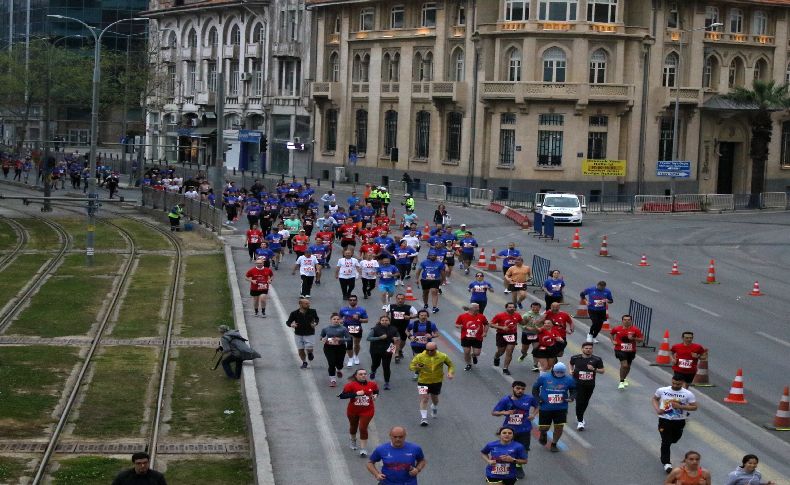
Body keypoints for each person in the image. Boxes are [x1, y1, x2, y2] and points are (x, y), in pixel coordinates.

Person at [491, 381, 538, 479]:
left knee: (523, 449)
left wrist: (533, 414)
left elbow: (537, 406)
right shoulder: (505, 400)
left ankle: (518, 467)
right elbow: (494, 412)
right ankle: (506, 466)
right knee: (508, 449)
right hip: (509, 430)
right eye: (518, 388)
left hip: (524, 429)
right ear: (513, 388)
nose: (520, 390)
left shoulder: (529, 398)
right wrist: (504, 412)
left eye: (522, 389)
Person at [652, 376, 698, 473]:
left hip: (679, 421)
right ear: (671, 381)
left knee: (675, 439)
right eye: (673, 383)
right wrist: (657, 409)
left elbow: (694, 407)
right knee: (666, 441)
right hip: (664, 420)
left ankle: (669, 443)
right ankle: (666, 463)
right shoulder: (662, 390)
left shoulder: (688, 394)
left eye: (678, 384)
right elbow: (655, 399)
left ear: (682, 383)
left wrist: (680, 406)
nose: (675, 385)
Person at [532, 362, 576, 452]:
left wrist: (571, 397)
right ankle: (543, 433)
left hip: (561, 408)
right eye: (557, 372)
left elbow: (574, 390)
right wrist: (538, 398)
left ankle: (554, 444)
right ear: (553, 370)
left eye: (561, 373)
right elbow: (535, 388)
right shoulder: (544, 377)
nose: (559, 374)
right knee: (544, 427)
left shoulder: (569, 379)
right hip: (545, 407)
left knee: (559, 427)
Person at [409, 342, 455, 426]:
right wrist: (416, 367)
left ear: (436, 349)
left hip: (436, 381)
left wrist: (450, 373)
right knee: (424, 398)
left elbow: (450, 365)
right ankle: (424, 418)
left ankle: (434, 406)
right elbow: (411, 366)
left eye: (431, 350)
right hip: (423, 381)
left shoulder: (442, 356)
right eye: (427, 350)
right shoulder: (420, 356)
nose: (429, 352)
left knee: (435, 399)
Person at [338, 368, 379, 457]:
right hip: (353, 411)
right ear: (356, 376)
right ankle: (353, 440)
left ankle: (363, 449)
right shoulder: (350, 385)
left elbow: (376, 391)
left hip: (367, 410)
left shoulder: (372, 384)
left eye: (364, 374)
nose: (363, 375)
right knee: (353, 426)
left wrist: (375, 396)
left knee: (363, 428)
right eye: (360, 374)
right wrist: (356, 394)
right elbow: (342, 396)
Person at [569, 342, 604, 430]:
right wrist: (571, 370)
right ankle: (580, 422)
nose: (588, 350)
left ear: (592, 349)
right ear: (582, 349)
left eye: (590, 348)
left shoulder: (597, 359)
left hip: (589, 384)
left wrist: (594, 369)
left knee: (585, 402)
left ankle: (579, 415)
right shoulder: (575, 358)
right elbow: (571, 363)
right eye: (586, 348)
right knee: (579, 401)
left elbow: (602, 371)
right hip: (577, 384)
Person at [610, 314, 644, 390]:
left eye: (628, 320)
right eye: (625, 320)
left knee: (628, 366)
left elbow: (641, 340)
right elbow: (611, 334)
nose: (627, 321)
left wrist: (633, 338)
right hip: (619, 349)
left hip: (631, 350)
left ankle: (624, 379)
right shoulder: (617, 328)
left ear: (631, 321)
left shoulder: (635, 330)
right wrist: (613, 341)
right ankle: (621, 381)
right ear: (622, 321)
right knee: (624, 365)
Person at [367, 315, 400, 389]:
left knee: (386, 366)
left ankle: (387, 382)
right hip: (375, 349)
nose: (384, 322)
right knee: (376, 364)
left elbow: (398, 337)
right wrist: (379, 338)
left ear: (389, 321)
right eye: (383, 320)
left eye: (386, 320)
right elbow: (368, 338)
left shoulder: (394, 329)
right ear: (380, 321)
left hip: (388, 349)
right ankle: (373, 371)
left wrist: (396, 338)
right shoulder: (375, 329)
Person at [320, 313, 352, 387]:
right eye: (334, 319)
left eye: (338, 319)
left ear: (340, 320)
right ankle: (333, 380)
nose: (336, 320)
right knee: (331, 363)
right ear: (331, 320)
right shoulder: (326, 328)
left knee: (339, 363)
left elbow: (348, 338)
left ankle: (339, 369)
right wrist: (323, 339)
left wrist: (340, 339)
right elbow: (321, 336)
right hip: (329, 347)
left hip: (340, 347)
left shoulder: (343, 328)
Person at [286, 298, 319, 369]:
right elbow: (288, 322)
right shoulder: (294, 313)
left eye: (309, 303)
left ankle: (310, 353)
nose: (308, 305)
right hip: (298, 334)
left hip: (309, 333)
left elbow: (316, 319)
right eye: (306, 303)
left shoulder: (312, 311)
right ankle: (304, 362)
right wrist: (291, 325)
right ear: (300, 304)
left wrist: (315, 323)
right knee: (300, 350)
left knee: (309, 347)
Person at [490, 303, 522, 376]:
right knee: (501, 351)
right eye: (510, 307)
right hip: (501, 335)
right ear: (506, 308)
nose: (511, 308)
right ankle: (496, 357)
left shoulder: (517, 315)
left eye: (513, 307)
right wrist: (502, 328)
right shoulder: (500, 315)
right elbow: (491, 324)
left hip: (512, 335)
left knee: (509, 351)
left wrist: (528, 320)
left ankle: (505, 368)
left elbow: (522, 322)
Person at [455, 303, 489, 371]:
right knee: (466, 352)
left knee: (477, 353)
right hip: (466, 337)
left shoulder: (481, 316)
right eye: (476, 308)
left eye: (478, 307)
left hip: (477, 337)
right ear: (471, 308)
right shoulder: (462, 316)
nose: (478, 309)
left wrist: (485, 332)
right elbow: (457, 324)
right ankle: (468, 364)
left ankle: (473, 355)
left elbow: (486, 324)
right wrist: (459, 326)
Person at [388, 293, 418, 363]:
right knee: (395, 340)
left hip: (404, 327)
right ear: (396, 299)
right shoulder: (390, 306)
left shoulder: (409, 307)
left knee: (403, 341)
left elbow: (416, 314)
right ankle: (396, 355)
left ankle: (399, 350)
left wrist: (410, 317)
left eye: (402, 299)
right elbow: (386, 314)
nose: (400, 300)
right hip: (393, 327)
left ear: (404, 300)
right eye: (398, 299)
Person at [340, 295, 369, 367]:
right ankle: (350, 359)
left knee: (356, 344)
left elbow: (366, 320)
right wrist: (341, 320)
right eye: (350, 300)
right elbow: (339, 318)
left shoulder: (361, 310)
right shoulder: (343, 309)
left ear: (356, 301)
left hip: (357, 329)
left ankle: (356, 356)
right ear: (348, 301)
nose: (352, 301)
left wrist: (359, 319)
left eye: (354, 300)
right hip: (347, 329)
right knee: (349, 344)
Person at [518, 302, 543, 371]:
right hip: (526, 334)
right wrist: (526, 327)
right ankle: (524, 355)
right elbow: (520, 324)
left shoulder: (541, 316)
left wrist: (541, 329)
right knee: (524, 350)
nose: (535, 309)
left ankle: (535, 365)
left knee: (536, 349)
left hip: (536, 335)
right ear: (531, 307)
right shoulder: (526, 315)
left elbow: (544, 325)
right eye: (533, 307)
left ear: (539, 308)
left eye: (537, 307)